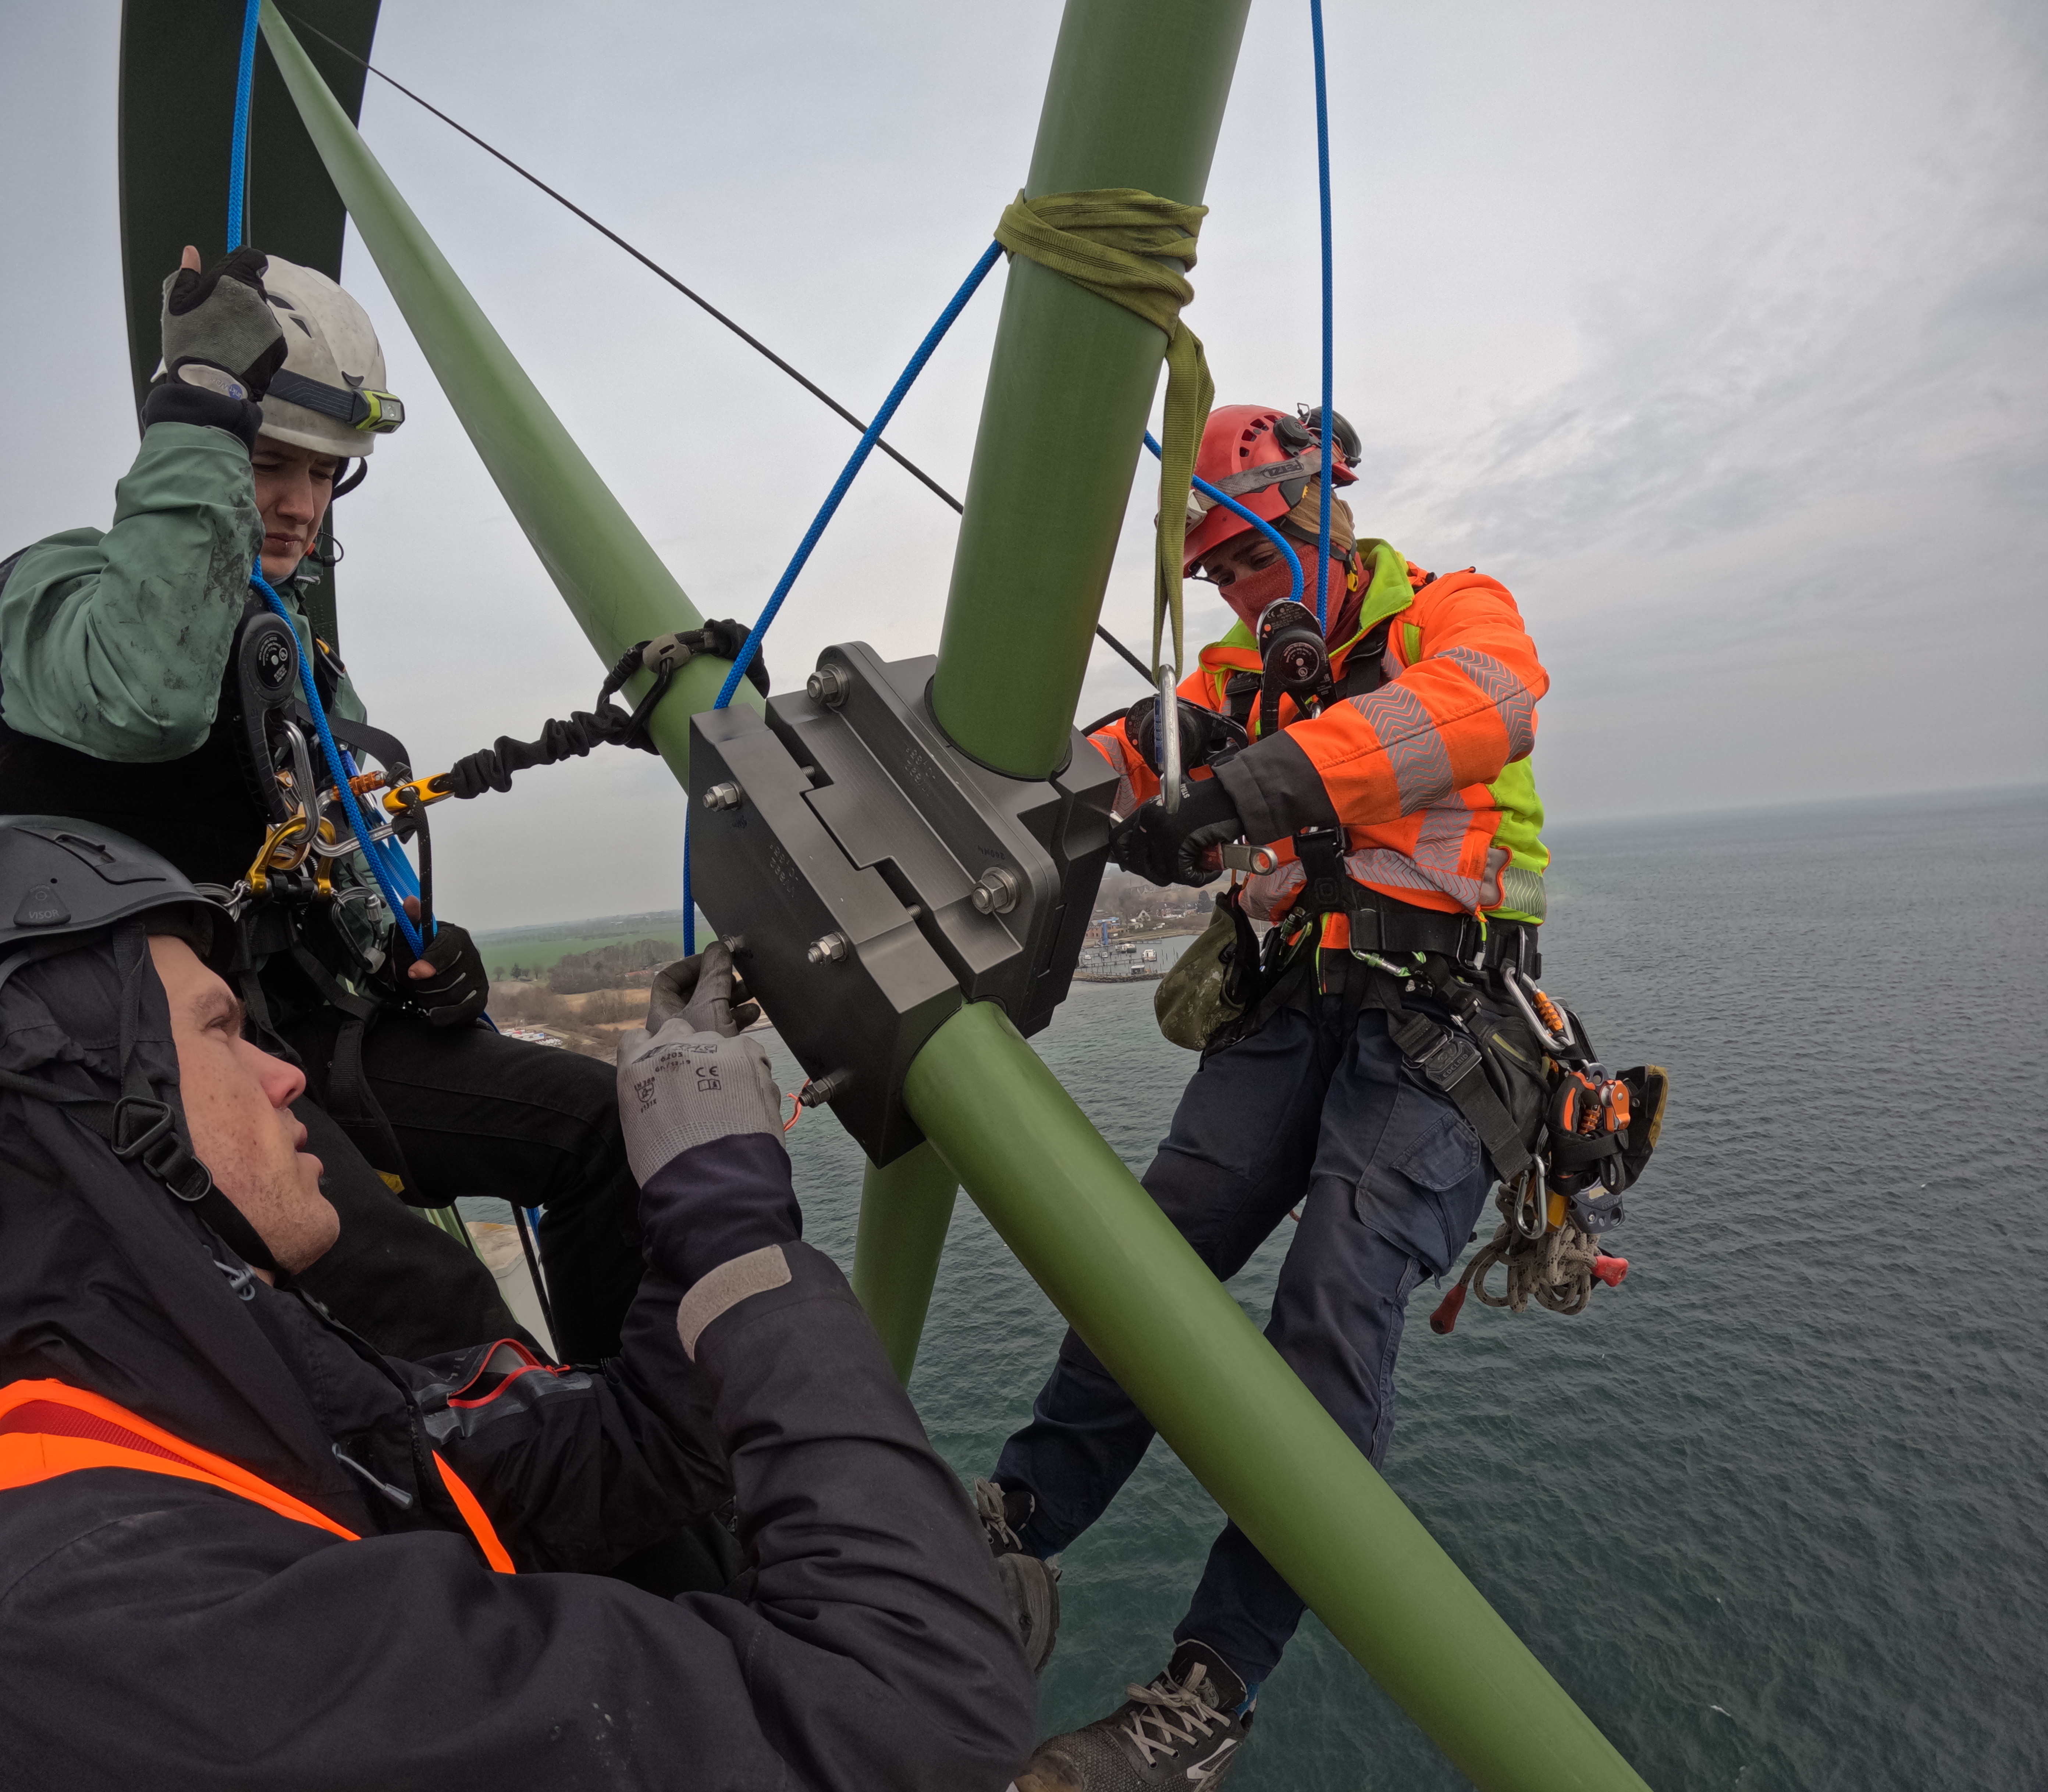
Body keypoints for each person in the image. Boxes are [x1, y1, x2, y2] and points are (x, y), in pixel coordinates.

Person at [0, 815, 1034, 1790]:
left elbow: (627, 1447)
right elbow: (916, 1727)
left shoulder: (180, 1389)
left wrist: (694, 1220)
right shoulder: (122, 1613)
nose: (282, 1076)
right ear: (98, 1105)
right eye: (221, 1030)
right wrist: (734, 1230)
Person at [0, 245, 761, 1363]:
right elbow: (144, 699)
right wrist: (201, 400)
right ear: (203, 447)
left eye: (325, 475)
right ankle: (562, 1490)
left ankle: (620, 1437)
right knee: (445, 1321)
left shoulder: (298, 660)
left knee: (608, 1129)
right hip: (121, 1066)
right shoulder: (58, 589)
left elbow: (343, 855)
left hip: (300, 1032)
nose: (301, 506)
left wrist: (416, 964)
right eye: (270, 462)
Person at [989, 403, 1553, 1788]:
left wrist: (1250, 785)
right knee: (1150, 1260)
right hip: (1296, 1006)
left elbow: (1484, 708)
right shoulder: (1238, 680)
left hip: (1440, 1020)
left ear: (1320, 509)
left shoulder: (1447, 614)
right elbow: (1088, 765)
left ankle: (1210, 1686)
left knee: (1336, 1300)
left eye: (1247, 558)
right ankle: (1010, 1524)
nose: (1238, 593)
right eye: (1221, 575)